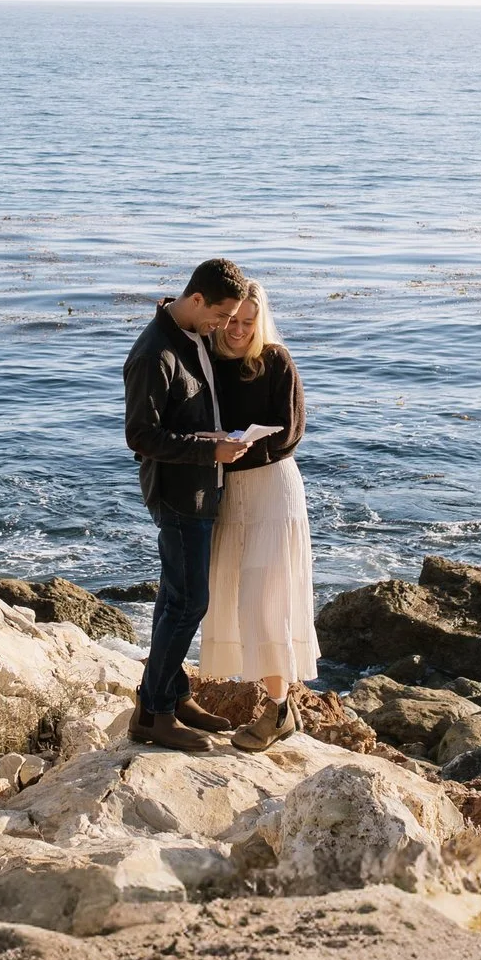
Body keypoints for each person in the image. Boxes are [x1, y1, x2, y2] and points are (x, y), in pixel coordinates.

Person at [122, 257, 254, 752]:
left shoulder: (191, 335)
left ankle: (174, 695)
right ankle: (151, 714)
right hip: (179, 495)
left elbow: (188, 412)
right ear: (196, 300)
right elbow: (140, 435)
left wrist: (214, 441)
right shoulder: (155, 354)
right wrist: (208, 450)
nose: (224, 327)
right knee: (189, 602)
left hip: (201, 486)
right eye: (221, 316)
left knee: (173, 599)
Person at [201, 281, 314, 752]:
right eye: (233, 321)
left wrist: (235, 450)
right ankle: (263, 701)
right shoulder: (207, 359)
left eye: (249, 322)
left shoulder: (275, 360)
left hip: (271, 489)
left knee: (266, 600)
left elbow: (291, 432)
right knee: (229, 595)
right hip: (227, 491)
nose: (240, 330)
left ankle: (280, 709)